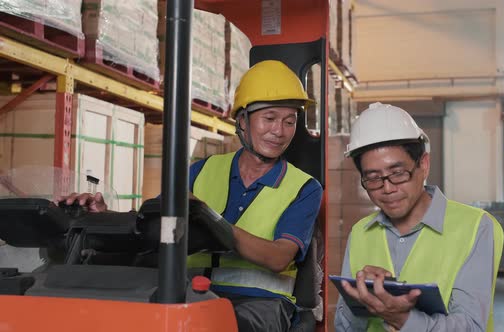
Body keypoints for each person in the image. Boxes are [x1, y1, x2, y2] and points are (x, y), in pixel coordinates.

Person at [62, 60, 323, 332]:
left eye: (289, 121)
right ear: (243, 120)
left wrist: (216, 225)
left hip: (261, 305)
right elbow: (157, 222)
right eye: (269, 118)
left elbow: (279, 257)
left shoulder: (304, 188)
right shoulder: (201, 171)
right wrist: (105, 217)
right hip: (190, 294)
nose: (279, 131)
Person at [333, 102, 504, 332]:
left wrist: (402, 319)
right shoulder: (361, 232)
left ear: (423, 164)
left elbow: (471, 326)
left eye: (398, 173)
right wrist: (365, 300)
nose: (388, 188)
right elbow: (344, 327)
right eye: (373, 178)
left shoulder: (476, 227)